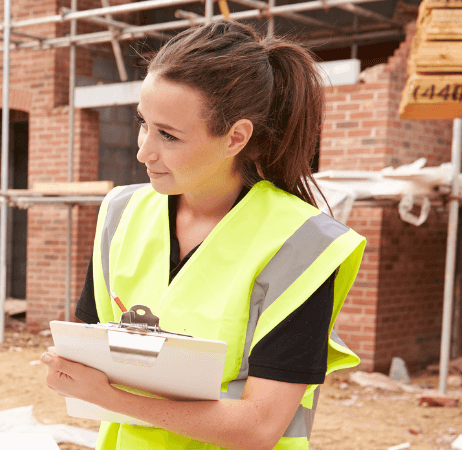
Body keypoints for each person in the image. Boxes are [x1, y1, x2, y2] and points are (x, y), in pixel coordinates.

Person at [40, 21, 366, 450]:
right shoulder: (121, 214)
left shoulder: (302, 244)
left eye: (168, 136)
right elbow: (88, 355)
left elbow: (260, 426)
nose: (143, 151)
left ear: (235, 137)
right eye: (143, 123)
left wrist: (111, 397)